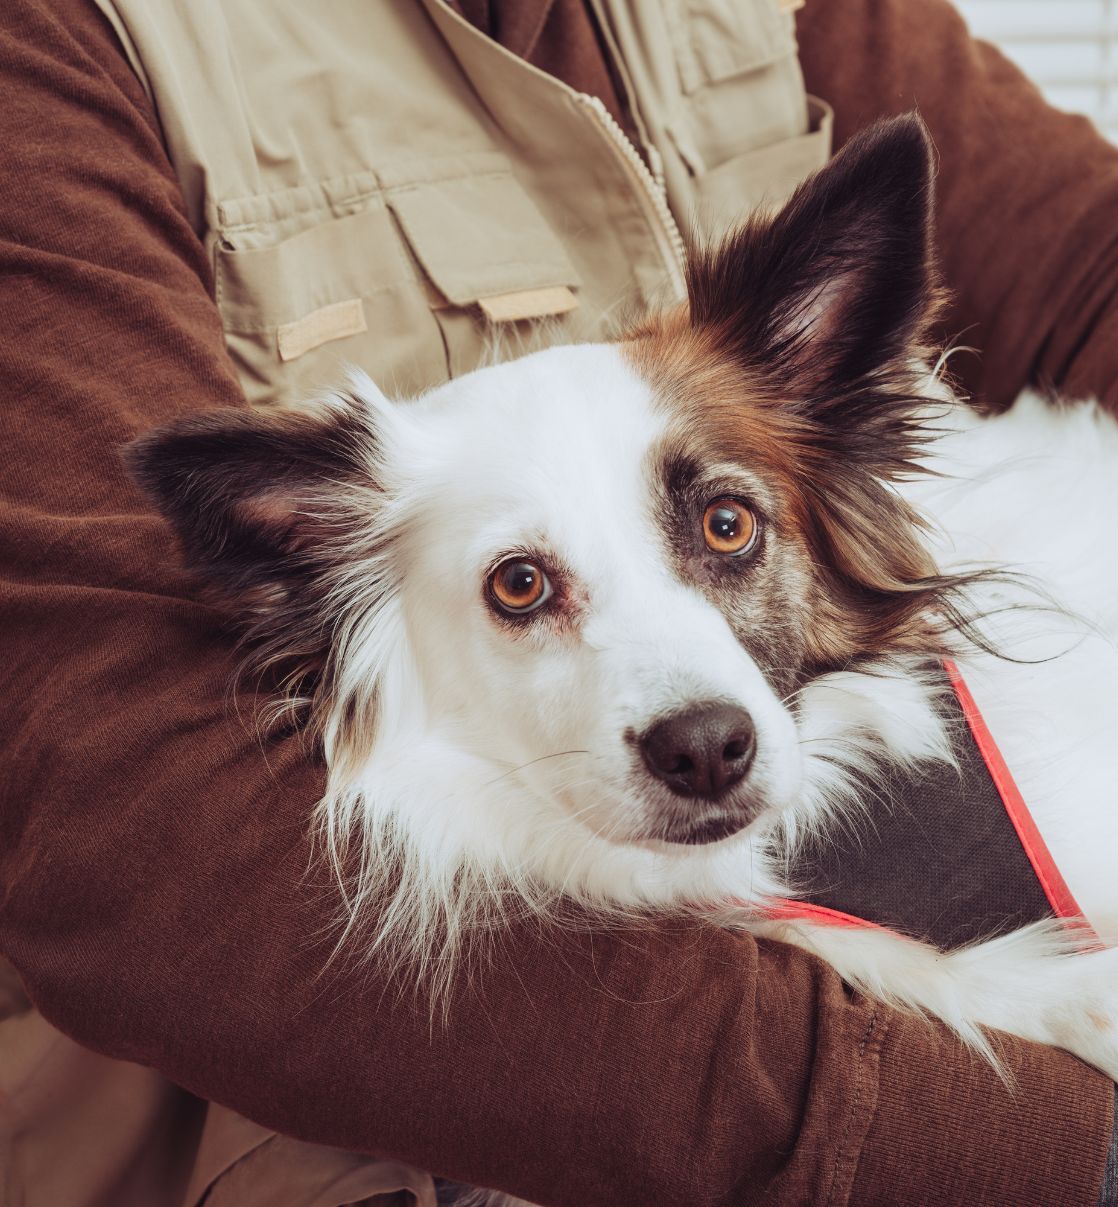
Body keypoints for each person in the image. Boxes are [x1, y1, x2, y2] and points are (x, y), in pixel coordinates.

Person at [1, 0, 1116, 1203]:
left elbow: (1082, 261)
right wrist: (1020, 1143)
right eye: (523, 587)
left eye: (723, 526)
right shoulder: (65, 40)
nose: (693, 712)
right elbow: (129, 833)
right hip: (415, 1122)